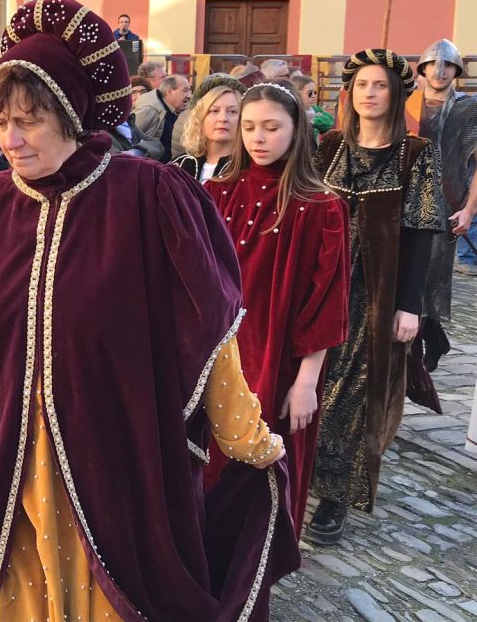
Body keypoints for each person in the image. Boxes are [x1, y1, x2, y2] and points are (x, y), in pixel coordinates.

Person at [0, 0, 297, 622]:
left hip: (113, 469)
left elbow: (205, 332)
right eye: (1, 121)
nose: (10, 139)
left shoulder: (150, 200)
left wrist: (244, 435)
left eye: (29, 121)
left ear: (72, 115)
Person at [309, 49, 443, 545]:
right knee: (311, 383)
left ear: (396, 93)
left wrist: (410, 306)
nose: (369, 93)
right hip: (321, 287)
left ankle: (336, 493)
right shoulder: (328, 147)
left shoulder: (415, 153)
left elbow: (422, 232)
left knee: (354, 391)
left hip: (376, 292)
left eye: (380, 85)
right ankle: (299, 472)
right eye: (362, 84)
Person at [204, 81, 349, 536]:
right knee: (211, 463)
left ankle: (259, 559)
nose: (258, 138)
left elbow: (326, 301)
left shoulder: (322, 207)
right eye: (249, 127)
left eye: (271, 127)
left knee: (266, 465)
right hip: (217, 355)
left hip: (280, 356)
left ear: (295, 130)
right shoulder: (217, 193)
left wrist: (307, 380)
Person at [413, 39, 477, 370]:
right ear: (422, 68)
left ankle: (430, 336)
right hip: (405, 200)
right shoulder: (406, 105)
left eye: (448, 65)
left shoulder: (468, 109)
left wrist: (469, 209)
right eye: (433, 64)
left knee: (433, 277)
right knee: (405, 275)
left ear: (457, 70)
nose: (440, 71)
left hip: (446, 204)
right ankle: (423, 338)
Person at [172, 76, 243, 182]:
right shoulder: (181, 165)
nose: (223, 118)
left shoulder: (247, 168)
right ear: (200, 118)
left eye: (232, 111)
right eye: (214, 111)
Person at [134, 73, 192, 160]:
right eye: (185, 90)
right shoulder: (150, 110)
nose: (189, 95)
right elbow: (131, 136)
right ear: (169, 91)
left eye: (189, 90)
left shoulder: (176, 109)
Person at [290, 74, 334, 141]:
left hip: (313, 144)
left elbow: (329, 122)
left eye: (315, 92)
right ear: (297, 94)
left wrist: (315, 121)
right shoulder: (293, 111)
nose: (314, 96)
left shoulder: (315, 109)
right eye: (310, 93)